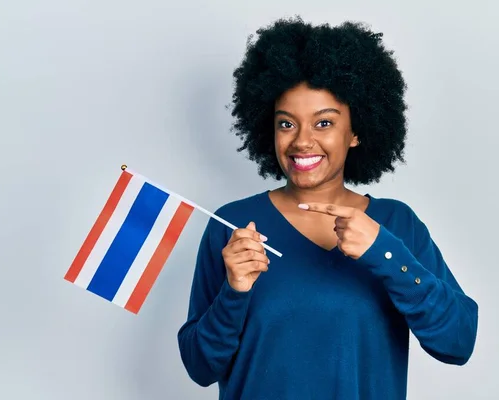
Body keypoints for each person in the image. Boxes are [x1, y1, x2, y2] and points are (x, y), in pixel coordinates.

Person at [177, 17, 478, 400]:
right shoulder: (233, 224)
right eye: (286, 124)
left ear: (355, 132)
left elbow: (458, 342)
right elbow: (199, 367)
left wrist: (385, 254)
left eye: (323, 123)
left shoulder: (396, 224)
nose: (302, 141)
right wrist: (234, 292)